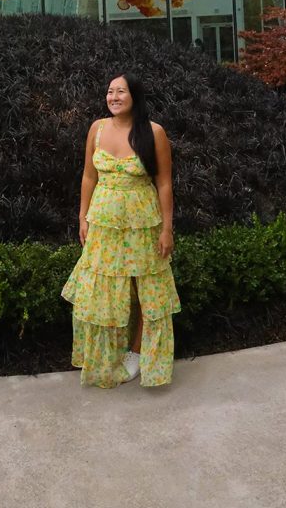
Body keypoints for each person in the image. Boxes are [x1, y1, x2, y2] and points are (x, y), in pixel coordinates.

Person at [61, 74, 181, 388]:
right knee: (101, 289)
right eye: (110, 91)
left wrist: (167, 229)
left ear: (134, 97)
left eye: (121, 91)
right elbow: (88, 176)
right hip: (103, 222)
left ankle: (140, 353)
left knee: (146, 290)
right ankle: (107, 356)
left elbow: (164, 183)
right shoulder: (97, 129)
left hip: (143, 222)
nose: (114, 97)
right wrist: (82, 216)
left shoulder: (153, 133)